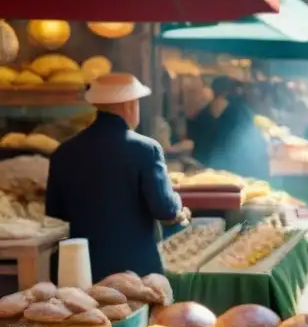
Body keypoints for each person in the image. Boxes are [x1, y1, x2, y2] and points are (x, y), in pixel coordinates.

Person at [45, 74, 188, 280]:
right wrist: (177, 203)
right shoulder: (146, 149)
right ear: (130, 105)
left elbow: (57, 211)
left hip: (82, 269)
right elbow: (165, 209)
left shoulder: (63, 152)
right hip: (135, 269)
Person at [207, 80, 271, 181]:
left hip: (239, 172)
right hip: (253, 172)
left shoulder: (231, 110)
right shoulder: (242, 110)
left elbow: (221, 146)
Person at [187, 76, 234, 165]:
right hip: (226, 162)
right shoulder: (235, 113)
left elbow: (192, 138)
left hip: (202, 161)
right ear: (228, 91)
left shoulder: (201, 114)